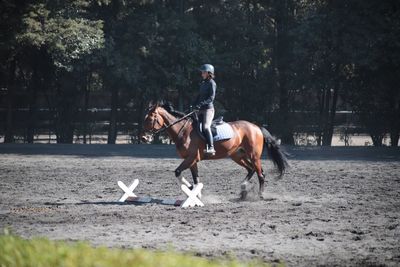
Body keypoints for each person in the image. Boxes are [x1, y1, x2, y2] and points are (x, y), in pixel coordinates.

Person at [193, 64, 217, 155]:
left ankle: (211, 147)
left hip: (208, 109)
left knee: (206, 127)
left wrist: (201, 104)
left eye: (203, 72)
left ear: (208, 73)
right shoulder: (203, 83)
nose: (202, 73)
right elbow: (199, 96)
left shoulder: (212, 83)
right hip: (200, 109)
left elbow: (211, 98)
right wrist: (194, 103)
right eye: (202, 72)